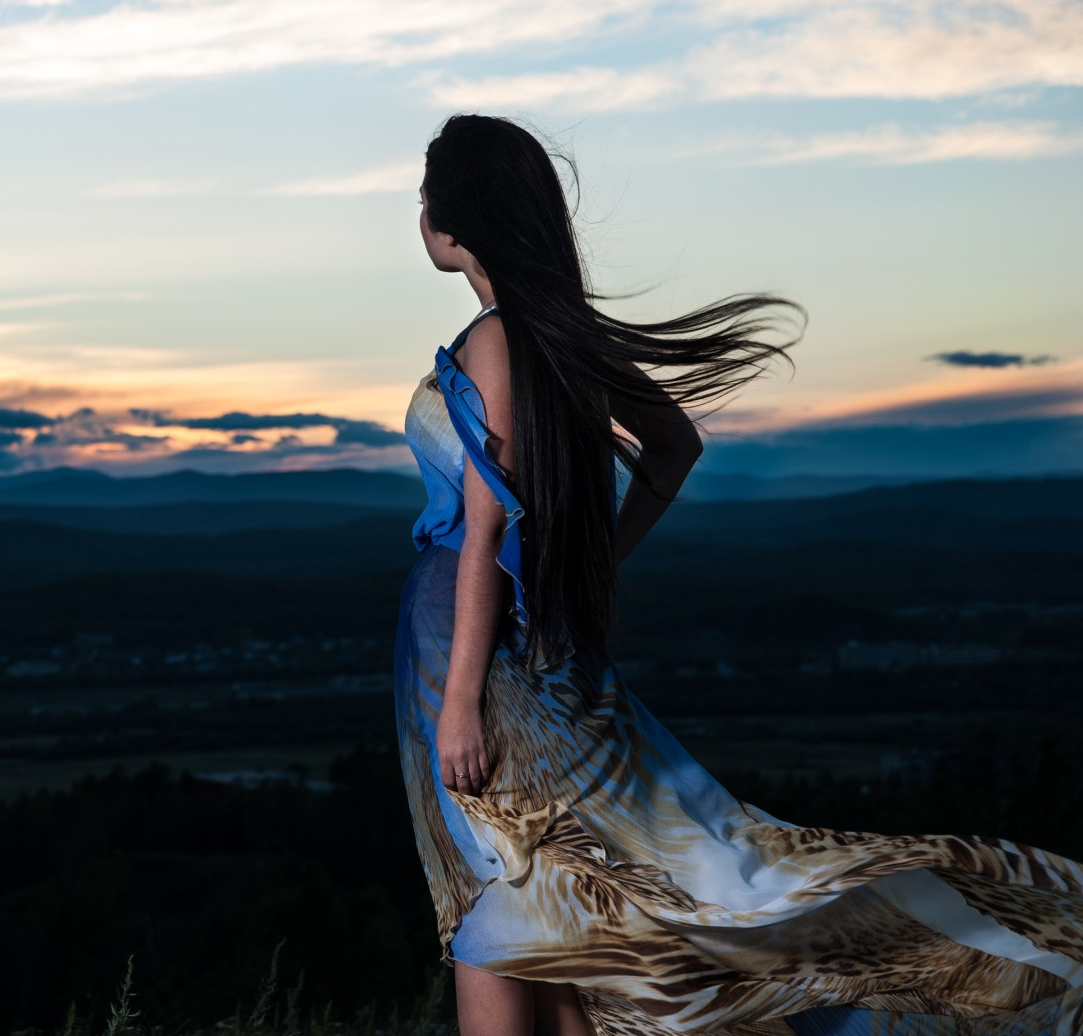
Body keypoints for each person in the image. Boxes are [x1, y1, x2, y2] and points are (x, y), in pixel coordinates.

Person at [392, 113, 1083, 1036]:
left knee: (507, 882)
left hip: (475, 655)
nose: (420, 211)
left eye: (426, 193)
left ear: (454, 216)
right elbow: (674, 447)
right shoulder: (559, 335)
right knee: (550, 894)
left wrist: (461, 702)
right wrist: (592, 560)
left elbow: (484, 531)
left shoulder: (495, 341)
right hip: (528, 644)